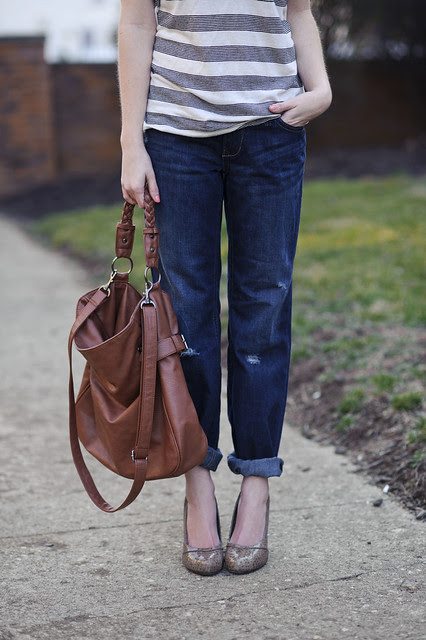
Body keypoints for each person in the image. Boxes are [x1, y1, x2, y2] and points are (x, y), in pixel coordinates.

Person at [118, 0, 331, 576]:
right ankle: (197, 482)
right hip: (175, 137)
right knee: (185, 319)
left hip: (273, 132)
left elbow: (298, 11)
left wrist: (321, 89)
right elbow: (136, 22)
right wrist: (131, 142)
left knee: (265, 309)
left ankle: (257, 484)